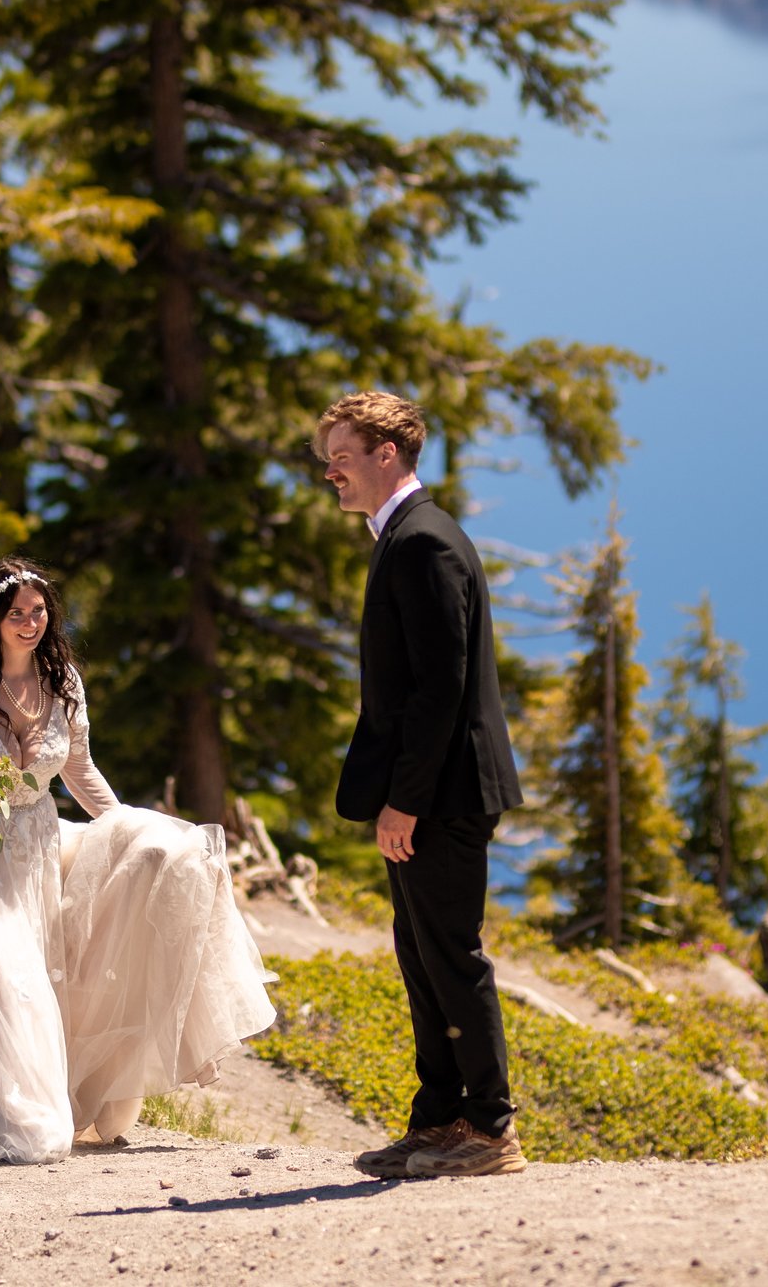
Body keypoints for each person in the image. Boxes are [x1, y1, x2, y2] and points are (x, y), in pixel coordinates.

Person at [0, 557, 276, 1165]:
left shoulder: (62, 681)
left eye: (39, 611)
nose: (29, 623)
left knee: (36, 979)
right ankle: (10, 1119)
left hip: (33, 845)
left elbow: (77, 770)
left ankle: (22, 1115)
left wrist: (125, 830)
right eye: (16, 612)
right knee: (0, 976)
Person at [317, 391, 528, 1178]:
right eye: (326, 459)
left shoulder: (424, 541)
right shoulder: (401, 539)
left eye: (342, 455)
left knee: (450, 956)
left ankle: (491, 1128)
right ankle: (439, 1119)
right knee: (421, 956)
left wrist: (404, 798)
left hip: (444, 792)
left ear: (388, 453)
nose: (330, 471)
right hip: (428, 789)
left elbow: (443, 687)